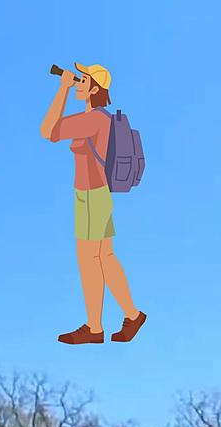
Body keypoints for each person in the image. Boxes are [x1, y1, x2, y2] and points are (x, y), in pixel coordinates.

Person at [40, 63, 146, 344]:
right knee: (104, 258)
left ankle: (96, 326)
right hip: (94, 195)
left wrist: (62, 88)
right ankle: (128, 317)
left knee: (90, 260)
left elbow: (48, 130)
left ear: (94, 88)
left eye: (82, 79)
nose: (77, 82)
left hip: (91, 196)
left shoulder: (95, 120)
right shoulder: (95, 119)